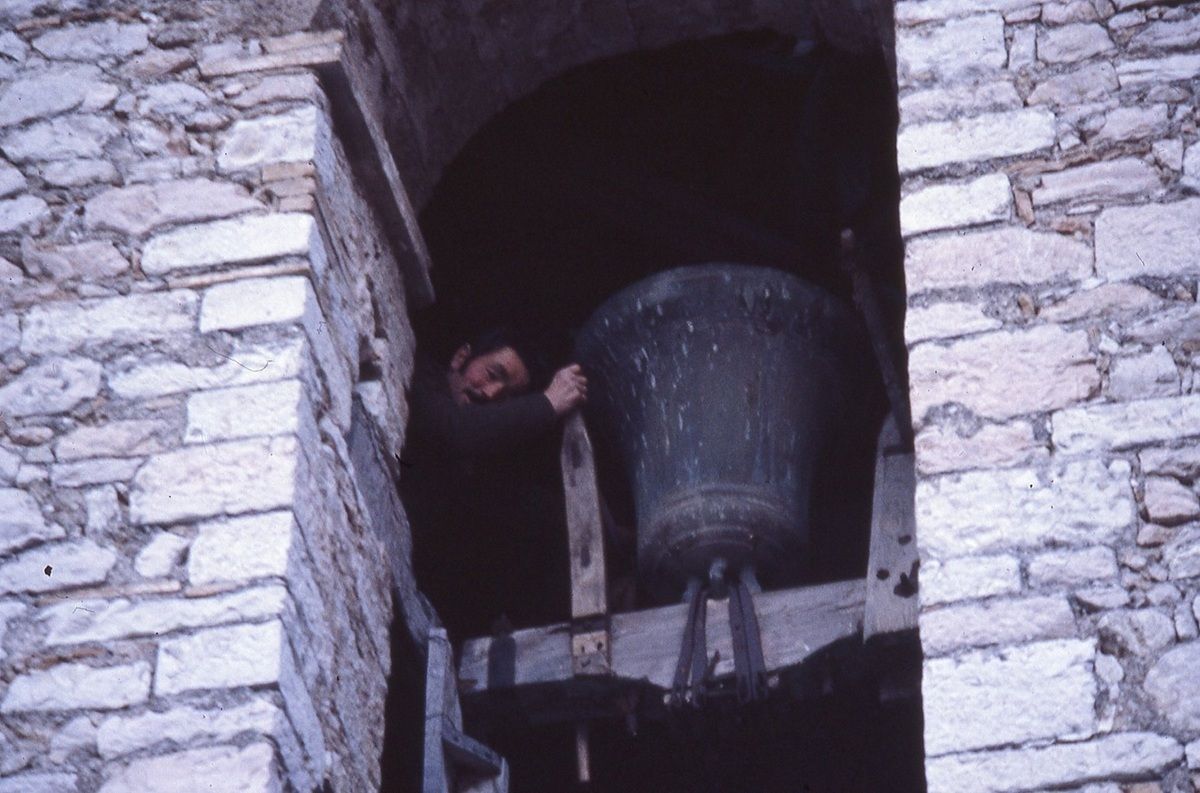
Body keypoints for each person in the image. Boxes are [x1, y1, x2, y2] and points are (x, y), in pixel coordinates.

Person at [400, 327, 587, 643]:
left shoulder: (478, 471)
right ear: (461, 357)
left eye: (508, 395)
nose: (490, 393)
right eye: (491, 373)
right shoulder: (419, 374)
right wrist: (548, 403)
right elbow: (456, 432)